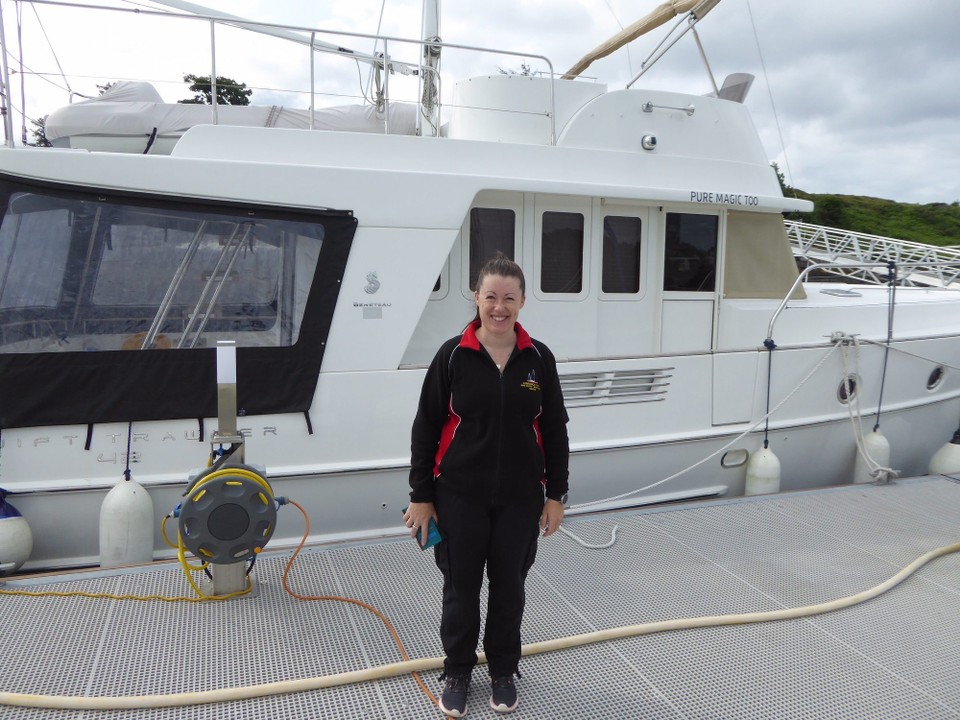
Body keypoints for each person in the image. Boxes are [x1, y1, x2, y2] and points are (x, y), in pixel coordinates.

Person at [404, 253, 570, 717]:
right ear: (476, 297)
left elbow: (555, 429)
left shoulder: (539, 360)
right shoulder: (453, 356)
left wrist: (556, 495)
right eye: (491, 297)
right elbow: (426, 428)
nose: (499, 307)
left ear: (521, 303)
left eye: (509, 298)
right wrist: (421, 498)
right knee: (460, 588)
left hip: (520, 498)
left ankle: (502, 670)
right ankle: (457, 670)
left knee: (509, 589)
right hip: (458, 496)